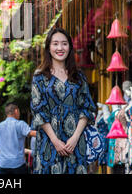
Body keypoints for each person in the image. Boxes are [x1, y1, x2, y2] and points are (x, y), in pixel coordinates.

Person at [30, 27, 97, 174]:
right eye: (55, 44)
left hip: (75, 142)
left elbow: (86, 108)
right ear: (48, 48)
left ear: (70, 47)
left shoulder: (78, 76)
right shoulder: (39, 77)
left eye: (64, 43)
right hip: (49, 142)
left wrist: (75, 138)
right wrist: (55, 141)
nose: (60, 48)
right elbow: (39, 111)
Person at [0, 103, 36, 174]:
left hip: (4, 164)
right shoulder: (20, 124)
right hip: (18, 165)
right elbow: (33, 133)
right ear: (16, 111)